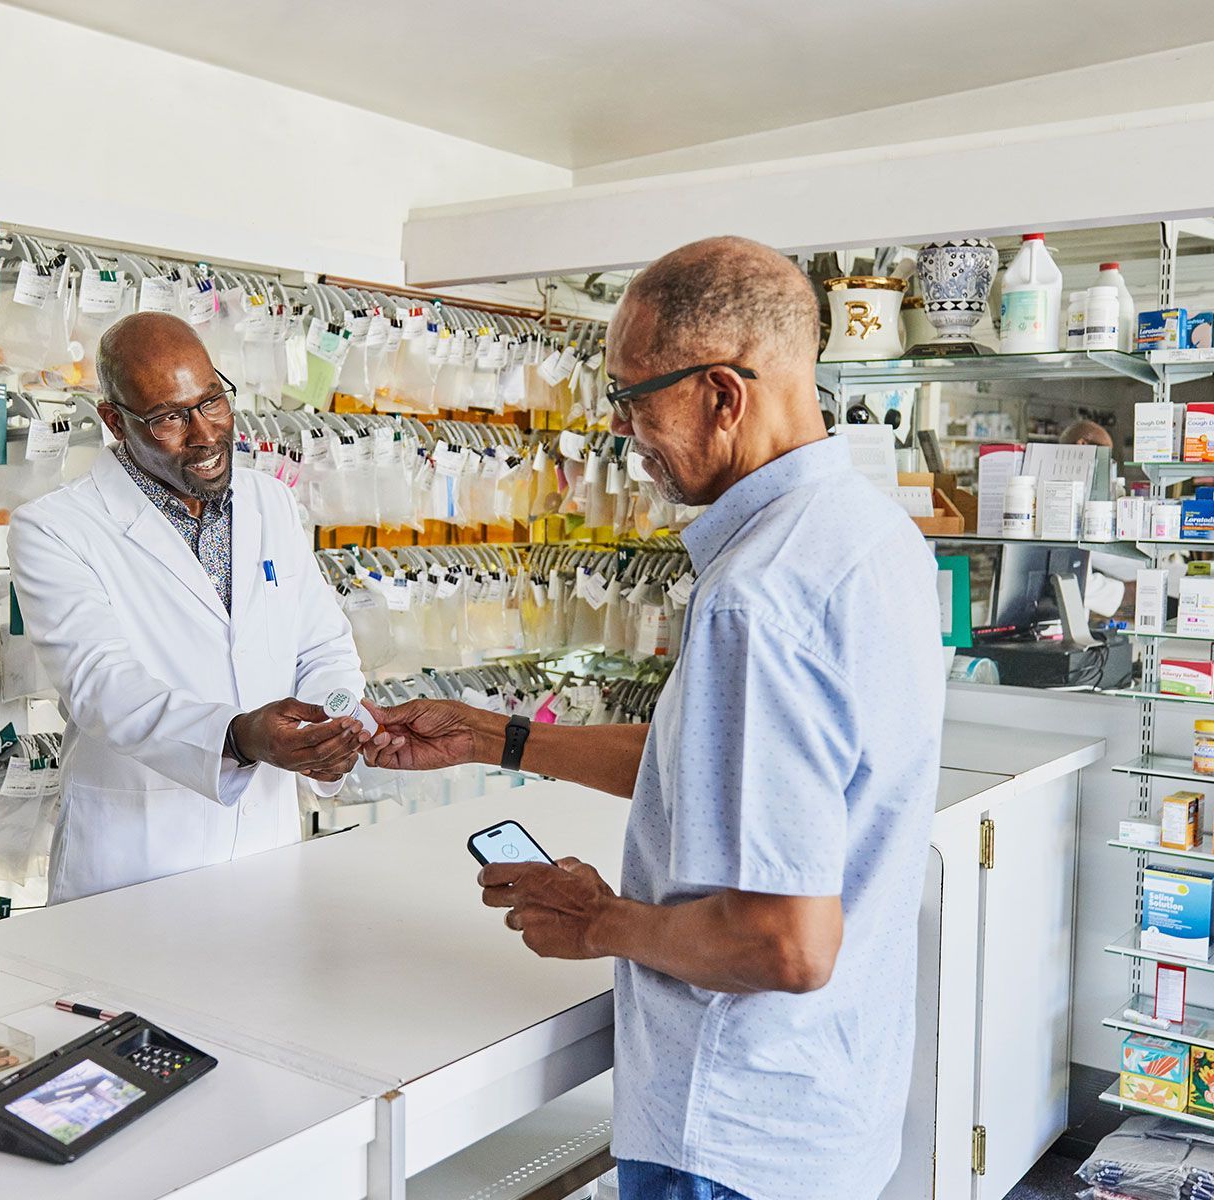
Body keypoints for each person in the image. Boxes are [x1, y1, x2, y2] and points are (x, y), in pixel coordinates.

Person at [365, 237, 944, 1200]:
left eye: (635, 398)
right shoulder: (867, 533)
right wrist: (496, 736)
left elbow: (786, 945)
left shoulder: (757, 596)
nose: (624, 430)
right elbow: (724, 760)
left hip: (731, 1134)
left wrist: (602, 922)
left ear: (723, 393)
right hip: (827, 1101)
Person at [10, 312, 377, 903]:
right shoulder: (55, 529)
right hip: (137, 860)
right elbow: (101, 686)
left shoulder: (270, 501)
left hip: (267, 848)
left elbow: (321, 644)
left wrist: (331, 731)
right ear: (114, 421)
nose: (204, 434)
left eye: (211, 402)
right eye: (167, 418)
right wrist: (237, 737)